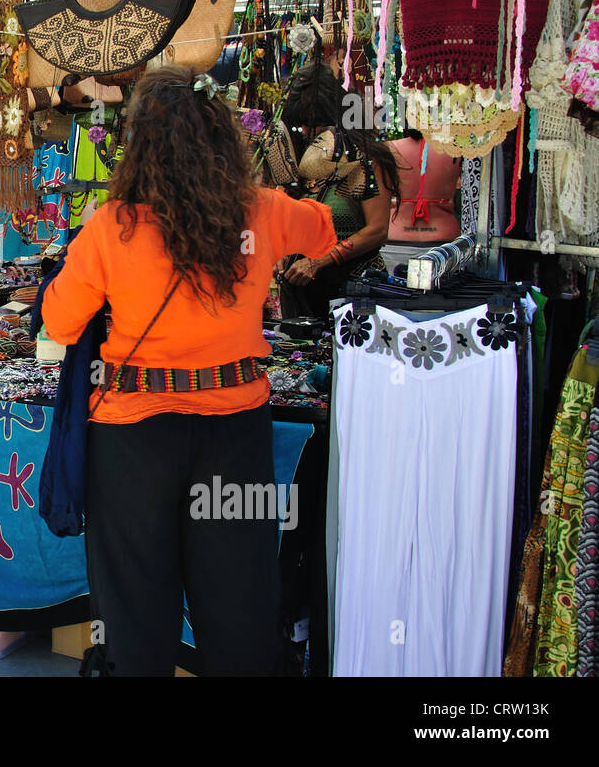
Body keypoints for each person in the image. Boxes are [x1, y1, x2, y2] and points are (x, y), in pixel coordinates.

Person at [40, 66, 337, 676]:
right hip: (235, 435)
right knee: (239, 604)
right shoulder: (263, 212)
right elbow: (324, 231)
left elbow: (61, 323)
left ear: (139, 144)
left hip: (132, 441)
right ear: (220, 136)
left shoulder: (109, 228)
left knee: (134, 612)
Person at [276, 60, 400, 320]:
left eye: (316, 125)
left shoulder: (367, 159)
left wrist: (319, 261)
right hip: (301, 293)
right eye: (302, 126)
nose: (308, 132)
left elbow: (377, 230)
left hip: (353, 290)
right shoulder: (299, 155)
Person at [382, 128, 461, 274]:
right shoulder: (456, 149)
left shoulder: (389, 148)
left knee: (392, 294)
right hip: (443, 241)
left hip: (395, 238)